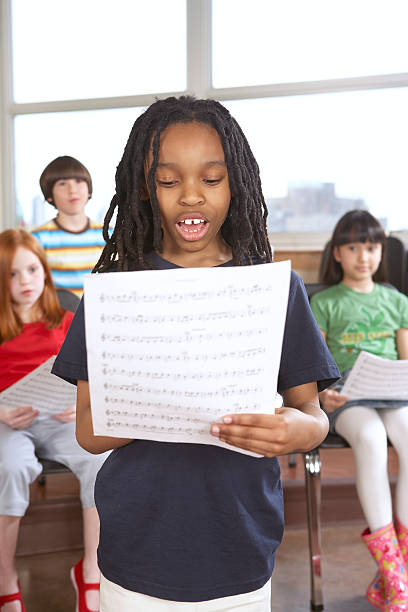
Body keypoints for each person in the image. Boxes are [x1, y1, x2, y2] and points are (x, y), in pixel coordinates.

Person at [52, 95, 339, 612]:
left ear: (239, 183)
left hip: (243, 550)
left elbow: (312, 415)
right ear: (145, 188)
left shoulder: (273, 289)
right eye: (168, 181)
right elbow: (89, 434)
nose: (190, 196)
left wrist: (299, 431)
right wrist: (170, 403)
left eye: (211, 179)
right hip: (137, 554)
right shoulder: (115, 293)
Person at [0, 229, 109, 612]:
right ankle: (5, 580)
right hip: (8, 420)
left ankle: (91, 573)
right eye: (12, 274)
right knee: (11, 467)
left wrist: (78, 401)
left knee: (100, 458)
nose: (25, 281)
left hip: (60, 416)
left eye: (32, 270)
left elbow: (93, 373)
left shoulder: (65, 319)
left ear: (45, 272)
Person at [310, 210, 408, 611]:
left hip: (393, 392)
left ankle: (398, 571)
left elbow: (406, 360)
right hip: (344, 395)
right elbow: (313, 366)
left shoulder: (397, 300)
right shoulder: (323, 301)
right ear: (337, 253)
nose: (363, 256)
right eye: (353, 247)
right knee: (369, 439)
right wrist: (321, 397)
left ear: (381, 251)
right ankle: (391, 573)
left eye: (371, 247)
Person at [32, 155, 106, 297]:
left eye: (78, 181)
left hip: (101, 314)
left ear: (89, 191)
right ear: (49, 196)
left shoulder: (109, 234)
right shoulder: (38, 239)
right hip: (58, 316)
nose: (72, 189)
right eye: (62, 184)